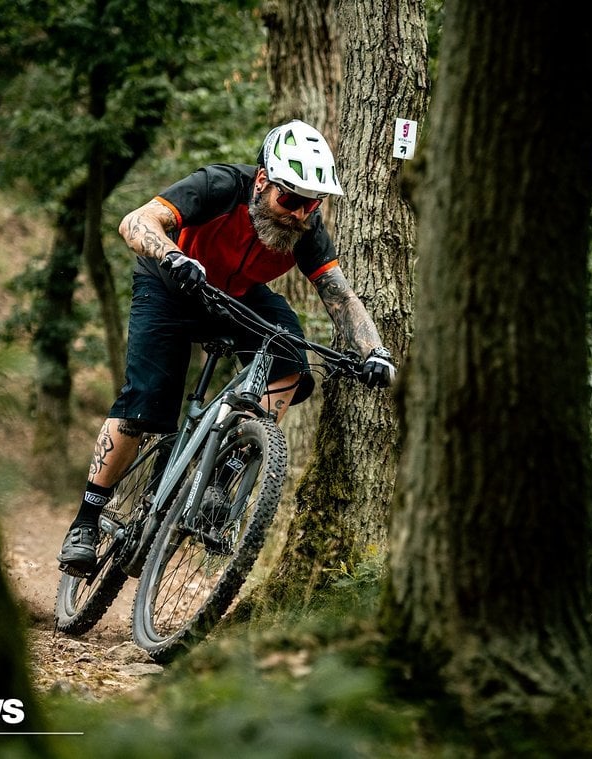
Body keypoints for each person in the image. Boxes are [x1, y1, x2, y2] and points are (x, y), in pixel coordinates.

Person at [57, 119, 396, 576]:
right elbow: (136, 221)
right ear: (262, 181)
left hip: (237, 297)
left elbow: (340, 297)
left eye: (310, 204)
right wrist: (173, 255)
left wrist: (376, 353)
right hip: (170, 285)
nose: (297, 214)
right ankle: (87, 521)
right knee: (144, 405)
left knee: (291, 360)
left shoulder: (305, 229)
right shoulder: (218, 186)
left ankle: (223, 474)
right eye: (289, 199)